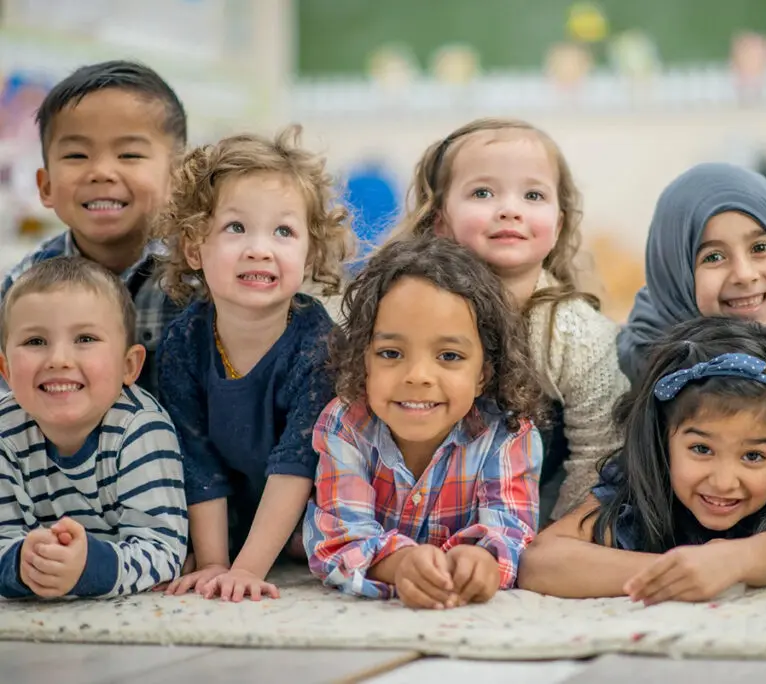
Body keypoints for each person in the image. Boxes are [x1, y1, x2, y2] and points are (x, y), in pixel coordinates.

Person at [390, 117, 629, 523]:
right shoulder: (407, 306)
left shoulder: (575, 332)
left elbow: (599, 450)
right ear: (440, 220)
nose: (509, 210)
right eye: (482, 192)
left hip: (538, 508)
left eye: (533, 195)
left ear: (559, 223)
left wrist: (553, 532)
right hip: (418, 497)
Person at [518, 316, 766, 602]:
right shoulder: (639, 494)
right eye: (701, 449)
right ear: (663, 440)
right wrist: (677, 572)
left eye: (753, 456)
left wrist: (734, 561)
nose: (723, 481)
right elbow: (540, 562)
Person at [156, 127, 351, 601]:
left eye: (283, 231)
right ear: (193, 248)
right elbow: (195, 458)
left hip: (316, 503)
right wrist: (214, 563)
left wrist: (246, 570)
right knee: (178, 556)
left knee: (320, 547)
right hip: (237, 507)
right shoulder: (183, 340)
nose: (259, 248)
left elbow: (297, 462)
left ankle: (282, 547)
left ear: (310, 254)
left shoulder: (317, 342)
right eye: (236, 228)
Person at [305, 236, 544, 608]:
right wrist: (401, 565)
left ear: (484, 372)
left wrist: (481, 561)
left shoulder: (507, 433)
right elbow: (340, 541)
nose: (418, 375)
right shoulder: (346, 423)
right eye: (390, 353)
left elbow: (510, 534)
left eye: (449, 355)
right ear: (363, 359)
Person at [0, 256, 186, 598]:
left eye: (85, 339)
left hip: (107, 561)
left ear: (129, 366)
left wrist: (86, 568)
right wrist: (22, 565)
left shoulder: (140, 428)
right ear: (6, 370)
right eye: (35, 342)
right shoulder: (5, 432)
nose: (59, 359)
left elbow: (164, 551)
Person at [1, 60, 188, 395]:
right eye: (76, 155)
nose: (101, 171)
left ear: (177, 179)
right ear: (45, 186)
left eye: (129, 155)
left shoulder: (199, 278)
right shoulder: (23, 287)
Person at [617, 163, 766, 425]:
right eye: (713, 256)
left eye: (760, 247)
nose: (745, 275)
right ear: (675, 271)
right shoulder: (640, 357)